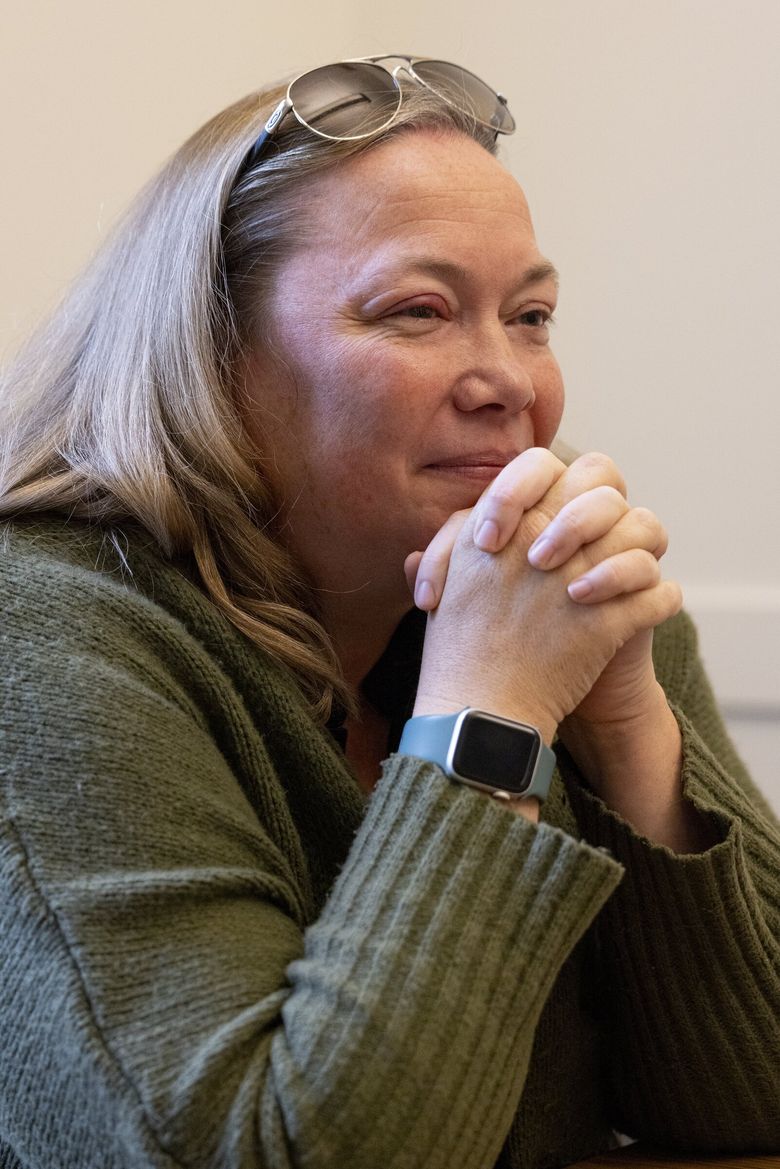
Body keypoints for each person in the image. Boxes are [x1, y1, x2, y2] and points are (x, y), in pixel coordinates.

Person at [0, 55, 778, 1169]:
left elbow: (751, 1093)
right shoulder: (41, 633)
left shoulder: (555, 589)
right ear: (215, 353)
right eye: (419, 310)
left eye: (532, 314)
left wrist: (624, 724)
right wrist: (492, 712)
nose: (511, 380)